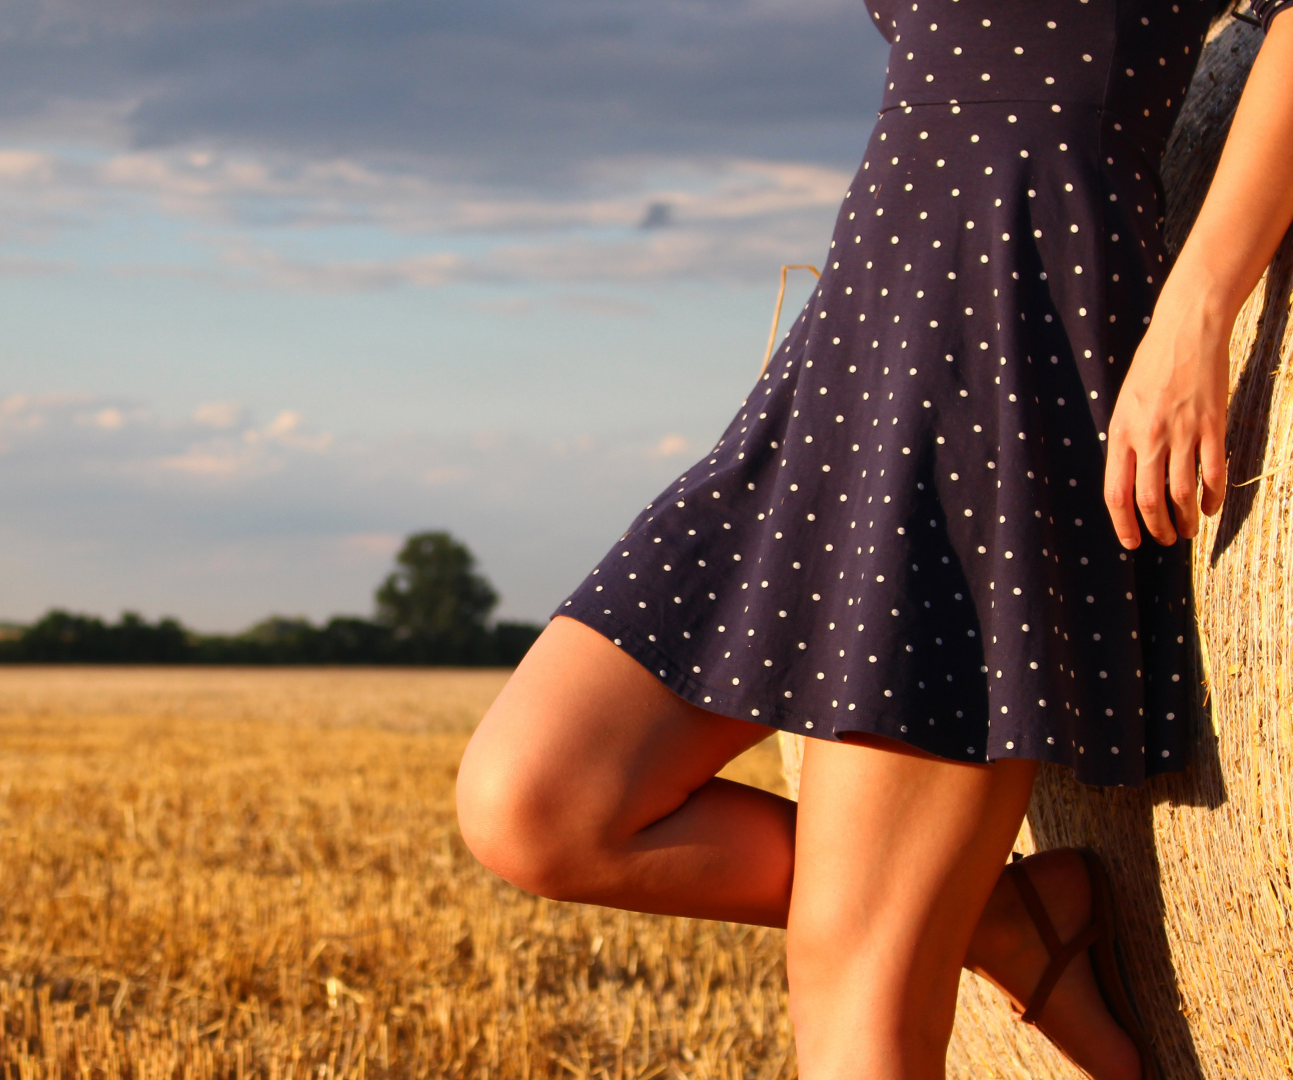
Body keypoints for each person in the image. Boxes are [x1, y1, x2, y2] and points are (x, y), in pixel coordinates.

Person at [454, 0, 1293, 1076]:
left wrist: (1196, 314)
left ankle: (937, 922)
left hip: (1002, 342)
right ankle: (992, 916)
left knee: (854, 1003)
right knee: (535, 804)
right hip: (853, 349)